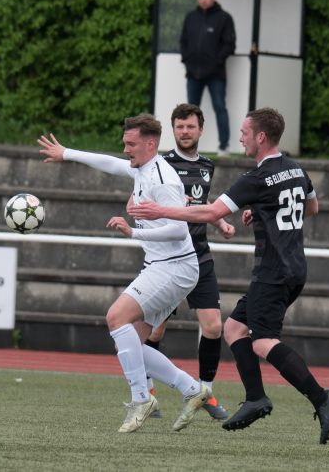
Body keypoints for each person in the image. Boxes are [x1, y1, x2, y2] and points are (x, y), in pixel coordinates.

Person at [130, 107, 329, 445]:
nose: (240, 138)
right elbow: (312, 208)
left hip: (273, 271)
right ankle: (256, 397)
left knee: (263, 341)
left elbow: (212, 211)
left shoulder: (256, 178)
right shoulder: (296, 169)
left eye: (244, 133)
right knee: (233, 328)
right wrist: (264, 210)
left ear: (261, 137)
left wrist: (161, 210)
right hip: (294, 268)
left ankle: (321, 397)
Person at [38, 114, 211, 434]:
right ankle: (192, 389)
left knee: (116, 318)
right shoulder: (143, 167)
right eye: (125, 143)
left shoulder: (163, 179)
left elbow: (178, 230)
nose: (125, 149)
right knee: (130, 343)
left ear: (150, 144)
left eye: (131, 144)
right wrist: (67, 154)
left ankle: (141, 399)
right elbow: (112, 164)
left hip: (174, 266)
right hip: (165, 265)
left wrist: (133, 233)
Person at [139, 103, 236, 421]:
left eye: (190, 126)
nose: (184, 132)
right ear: (173, 130)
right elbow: (143, 203)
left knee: (214, 327)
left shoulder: (207, 165)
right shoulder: (161, 165)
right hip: (169, 259)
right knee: (154, 332)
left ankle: (204, 394)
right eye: (179, 127)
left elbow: (201, 202)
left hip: (200, 256)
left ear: (200, 130)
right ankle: (147, 394)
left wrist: (219, 222)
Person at [180, 0, 235, 156]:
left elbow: (229, 45)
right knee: (190, 112)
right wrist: (187, 60)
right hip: (193, 73)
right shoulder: (191, 17)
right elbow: (183, 41)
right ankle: (188, 147)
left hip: (215, 74)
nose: (203, 0)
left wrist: (216, 62)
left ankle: (224, 146)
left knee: (220, 107)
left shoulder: (224, 18)